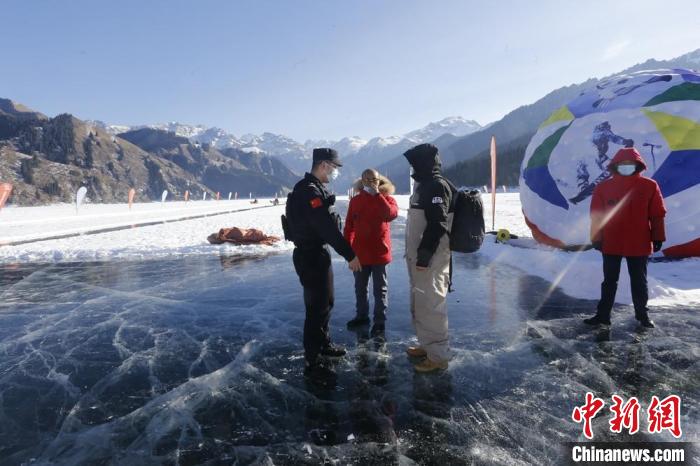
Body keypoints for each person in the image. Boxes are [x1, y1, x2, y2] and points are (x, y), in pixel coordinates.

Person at [285, 148, 363, 379]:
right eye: (334, 168)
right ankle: (313, 358)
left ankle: (323, 344)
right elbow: (326, 228)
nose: (336, 172)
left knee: (326, 303)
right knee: (316, 308)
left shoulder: (314, 188)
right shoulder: (309, 191)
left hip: (317, 254)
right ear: (323, 165)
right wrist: (350, 254)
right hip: (310, 256)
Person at [584, 146, 666, 329]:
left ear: (638, 165)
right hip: (611, 241)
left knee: (639, 280)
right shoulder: (603, 187)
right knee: (609, 281)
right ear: (616, 165)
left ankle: (642, 315)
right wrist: (596, 237)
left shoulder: (649, 186)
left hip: (639, 242)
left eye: (630, 164)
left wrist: (658, 236)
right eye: (623, 164)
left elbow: (657, 214)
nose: (627, 166)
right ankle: (602, 315)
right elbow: (596, 215)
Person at [403, 143, 454, 372]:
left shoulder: (435, 186)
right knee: (422, 301)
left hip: (430, 259)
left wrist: (423, 257)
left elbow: (437, 225)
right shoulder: (423, 185)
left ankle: (438, 356)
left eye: (414, 162)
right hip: (420, 259)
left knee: (432, 303)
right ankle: (427, 345)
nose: (412, 167)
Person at [344, 169, 399, 337]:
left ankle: (380, 322)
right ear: (362, 180)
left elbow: (390, 215)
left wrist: (377, 196)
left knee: (380, 289)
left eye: (374, 179)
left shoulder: (387, 199)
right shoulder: (356, 201)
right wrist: (348, 252)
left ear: (379, 180)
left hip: (380, 253)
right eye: (367, 179)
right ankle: (362, 316)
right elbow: (349, 227)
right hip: (360, 254)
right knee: (360, 288)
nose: (370, 182)